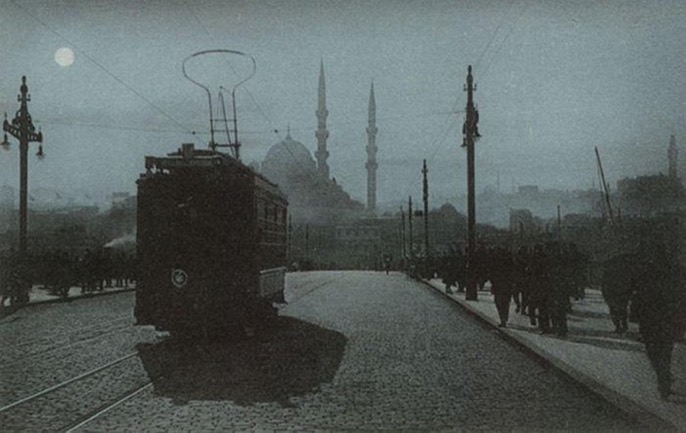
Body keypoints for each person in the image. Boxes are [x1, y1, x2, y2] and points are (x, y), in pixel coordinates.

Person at [633, 243, 681, 400]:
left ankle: (663, 379)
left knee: (652, 351)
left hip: (650, 319)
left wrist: (634, 315)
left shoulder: (645, 272)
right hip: (668, 319)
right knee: (666, 351)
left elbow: (637, 296)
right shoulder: (675, 272)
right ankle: (664, 377)